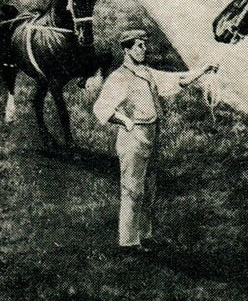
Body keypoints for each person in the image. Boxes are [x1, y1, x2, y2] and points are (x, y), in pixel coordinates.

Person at [91, 29, 218, 253]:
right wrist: (125, 122)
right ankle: (128, 242)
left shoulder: (147, 72)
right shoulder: (119, 77)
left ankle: (145, 235)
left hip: (152, 134)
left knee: (149, 188)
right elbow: (101, 108)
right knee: (132, 188)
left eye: (144, 45)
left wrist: (202, 71)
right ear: (127, 49)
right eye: (139, 45)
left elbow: (177, 80)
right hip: (133, 137)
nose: (144, 49)